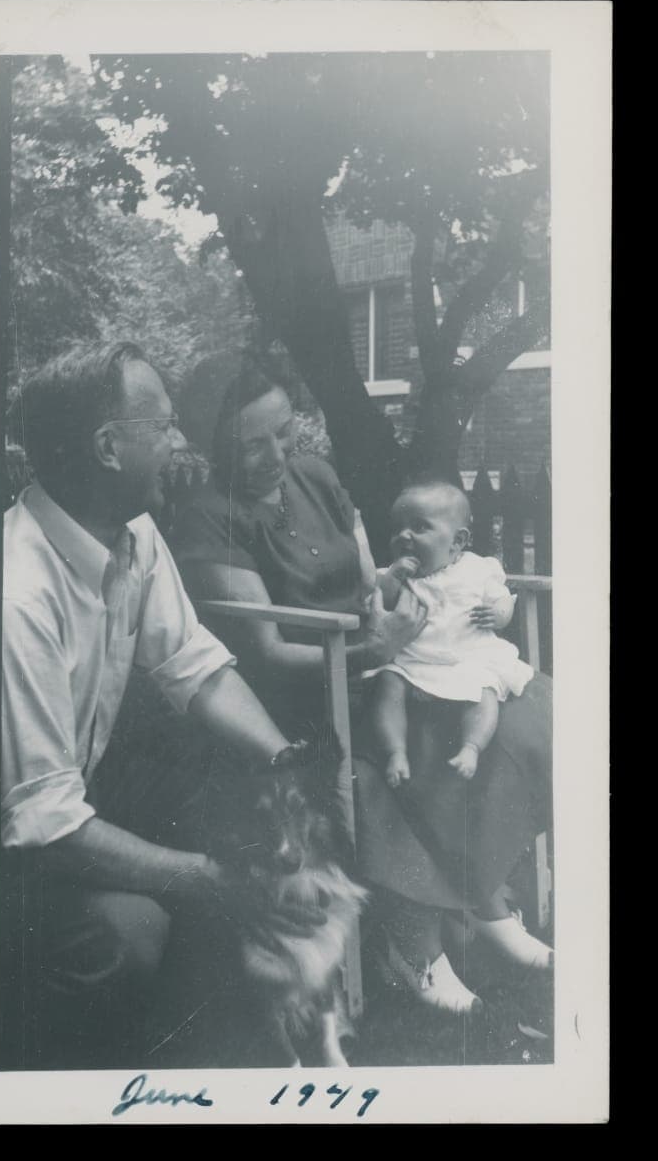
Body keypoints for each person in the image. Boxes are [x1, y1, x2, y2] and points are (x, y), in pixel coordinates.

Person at [171, 359, 553, 1017]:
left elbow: (367, 574)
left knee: (524, 712)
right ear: (215, 444)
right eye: (250, 443)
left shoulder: (314, 476)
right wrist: (370, 649)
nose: (274, 454)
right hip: (299, 691)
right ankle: (413, 942)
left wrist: (403, 618)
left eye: (282, 432)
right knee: (396, 761)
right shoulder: (208, 517)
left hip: (382, 661)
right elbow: (263, 650)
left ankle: (484, 896)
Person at [0, 341, 327, 1066]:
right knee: (127, 930)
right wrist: (207, 880)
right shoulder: (16, 592)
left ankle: (249, 1030)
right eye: (167, 426)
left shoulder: (133, 534)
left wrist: (279, 764)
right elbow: (44, 824)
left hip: (69, 796)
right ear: (108, 448)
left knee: (254, 807)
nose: (183, 444)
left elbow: (195, 665)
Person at [366, 479, 534, 789]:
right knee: (387, 683)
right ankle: (396, 751)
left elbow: (501, 600)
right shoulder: (395, 575)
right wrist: (392, 579)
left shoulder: (478, 569)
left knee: (485, 691)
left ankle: (471, 747)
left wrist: (497, 615)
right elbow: (380, 604)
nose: (404, 535)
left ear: (457, 542)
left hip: (466, 658)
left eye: (419, 527)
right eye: (398, 528)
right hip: (413, 662)